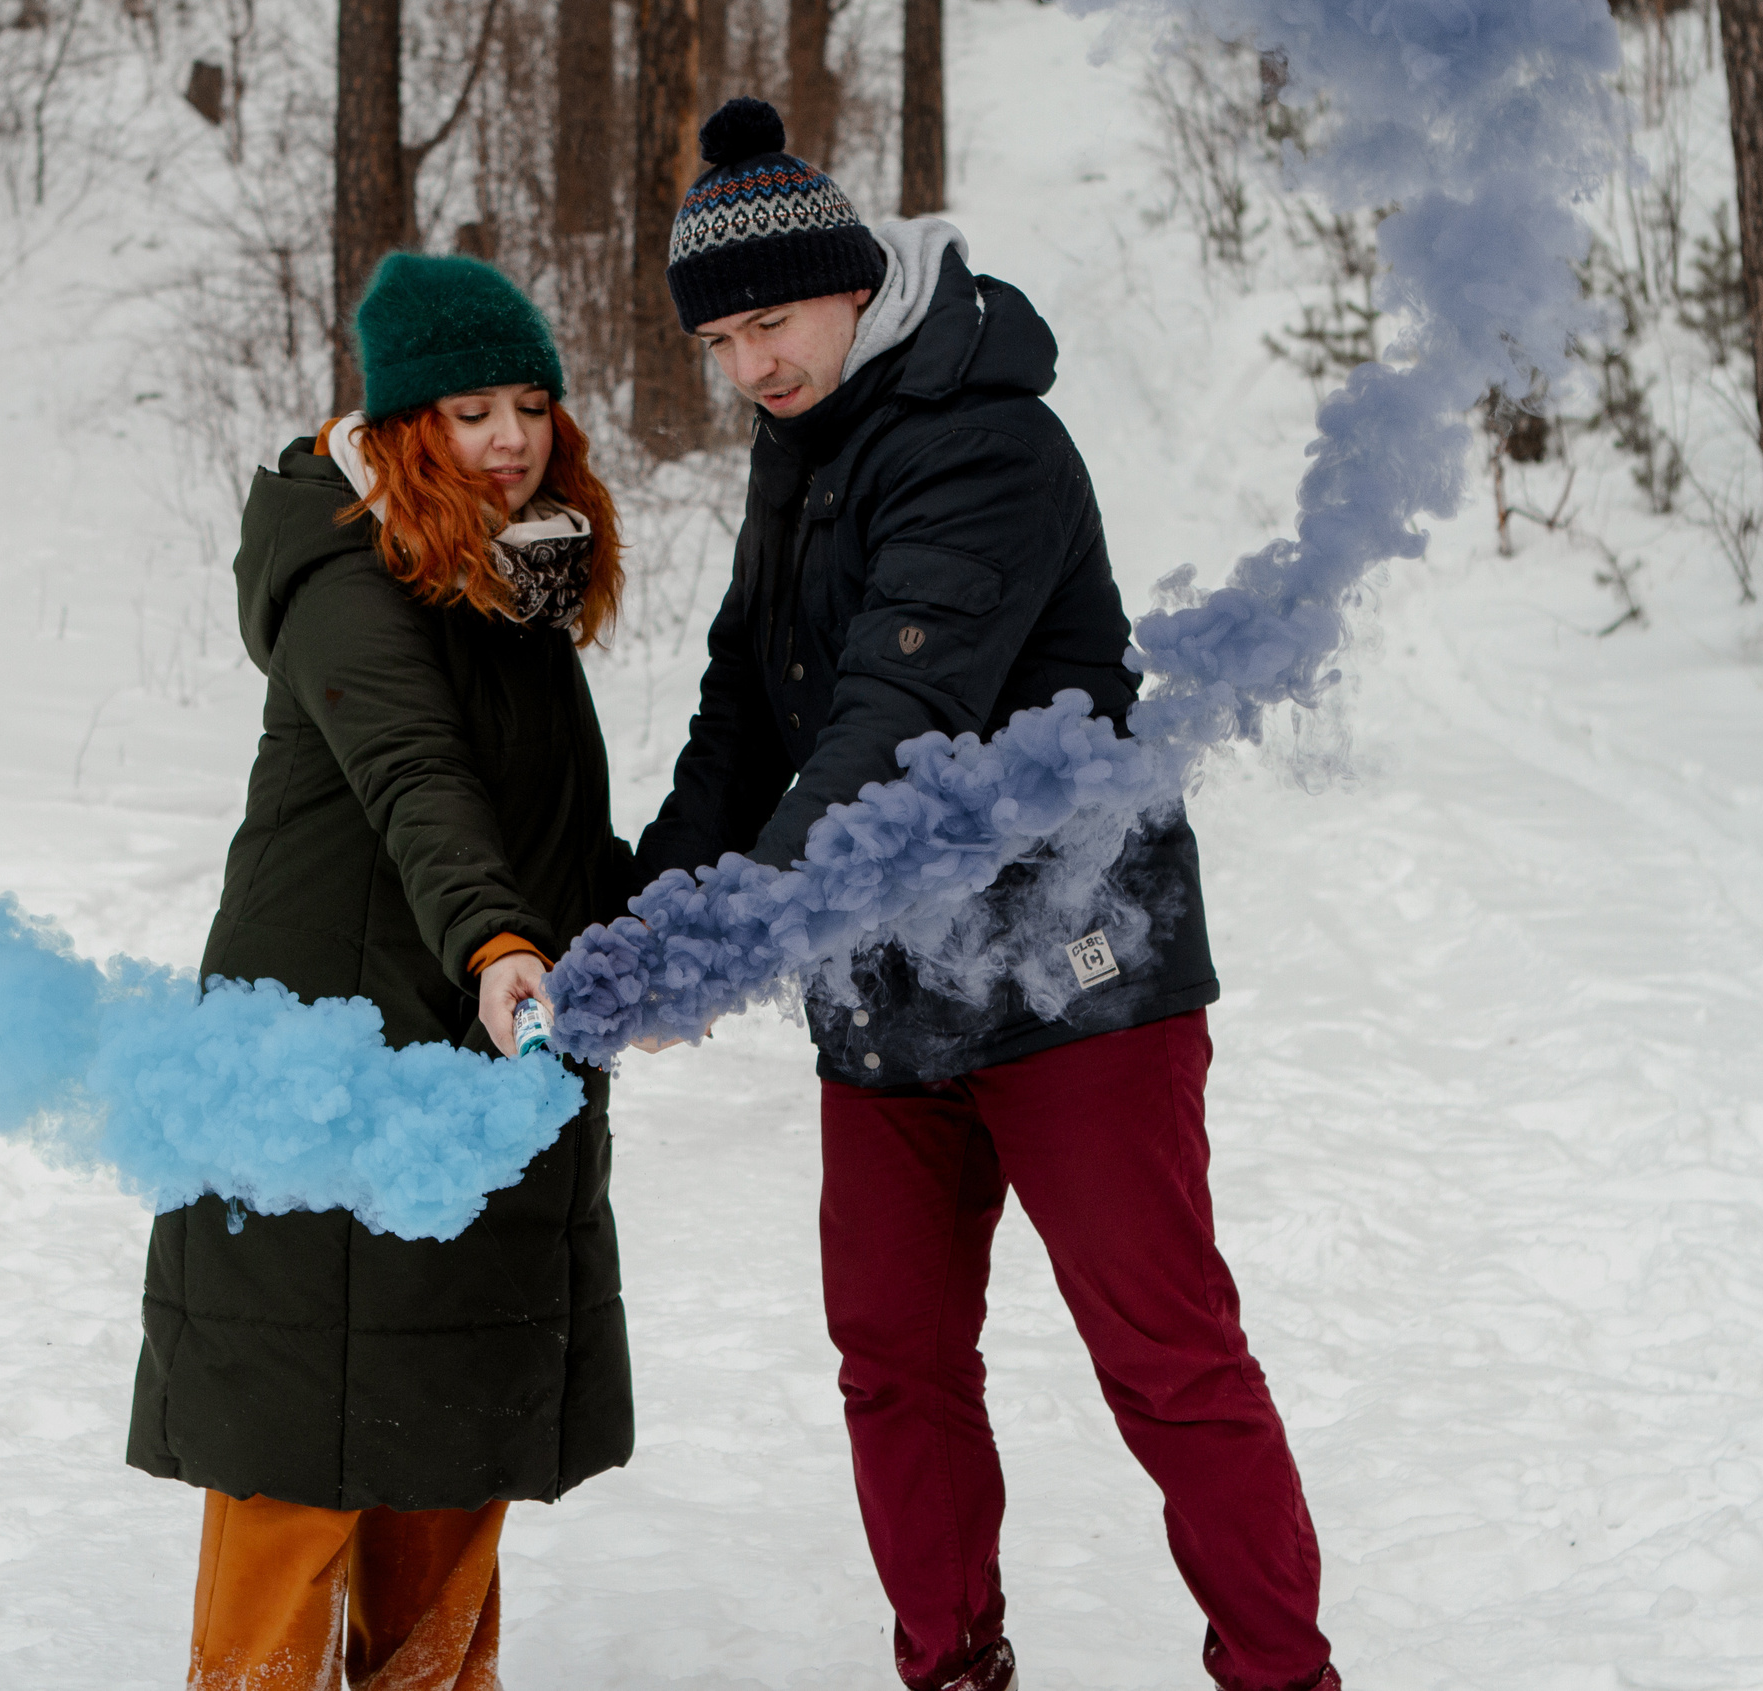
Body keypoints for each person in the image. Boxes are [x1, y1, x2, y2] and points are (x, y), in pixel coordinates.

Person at [634, 97, 1343, 1691]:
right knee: (892, 1359)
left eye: (776, 322)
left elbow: (900, 718)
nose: (754, 364)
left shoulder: (986, 436)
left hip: (1069, 966)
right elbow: (747, 708)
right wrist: (647, 918)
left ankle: (1283, 1676)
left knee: (1162, 1358)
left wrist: (727, 939)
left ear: (856, 285)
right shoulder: (800, 440)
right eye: (725, 339)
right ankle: (951, 1664)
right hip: (880, 975)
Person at [126, 251, 638, 1691]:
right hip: (326, 1067)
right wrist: (495, 937)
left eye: (529, 403)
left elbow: (546, 823)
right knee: (298, 1438)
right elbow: (417, 777)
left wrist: (649, 939)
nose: (509, 437)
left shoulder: (510, 567)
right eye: (470, 410)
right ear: (406, 423)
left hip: (483, 1055)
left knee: (451, 1421)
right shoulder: (346, 566)